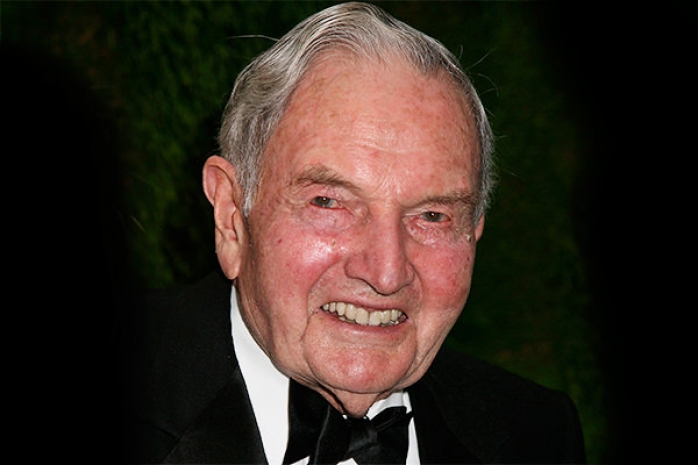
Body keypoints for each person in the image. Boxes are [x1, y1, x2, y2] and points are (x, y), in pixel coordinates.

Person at [121, 3, 585, 464]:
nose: (386, 273)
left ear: (474, 232)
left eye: (432, 216)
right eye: (329, 202)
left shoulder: (536, 435)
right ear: (231, 217)